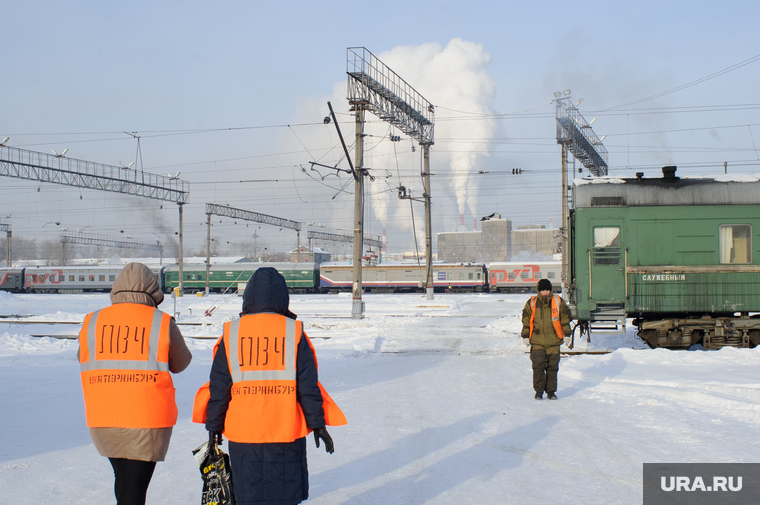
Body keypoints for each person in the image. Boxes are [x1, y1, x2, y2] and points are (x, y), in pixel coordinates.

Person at [205, 267, 345, 505]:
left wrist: (214, 426)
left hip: (243, 434)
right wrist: (318, 424)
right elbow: (307, 387)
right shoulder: (294, 333)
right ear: (283, 298)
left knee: (247, 496)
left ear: (248, 297)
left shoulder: (231, 334)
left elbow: (219, 389)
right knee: (283, 496)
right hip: (285, 433)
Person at [77, 262, 192, 505]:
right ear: (153, 291)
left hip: (103, 417)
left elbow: (83, 357)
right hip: (146, 420)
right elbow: (181, 363)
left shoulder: (93, 321)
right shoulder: (160, 321)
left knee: (124, 481)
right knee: (134, 489)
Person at [521, 278, 572, 400]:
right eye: (543, 290)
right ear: (539, 291)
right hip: (537, 341)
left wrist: (567, 334)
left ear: (551, 290)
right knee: (538, 367)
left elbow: (565, 318)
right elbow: (526, 320)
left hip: (554, 341)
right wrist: (525, 336)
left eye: (547, 290)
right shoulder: (532, 302)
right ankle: (539, 392)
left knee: (552, 368)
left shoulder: (558, 301)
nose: (545, 293)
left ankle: (551, 392)